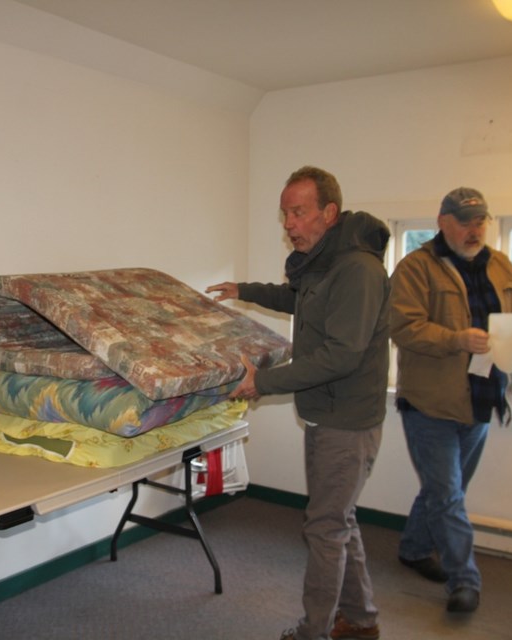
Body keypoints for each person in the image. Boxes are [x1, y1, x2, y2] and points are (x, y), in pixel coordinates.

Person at [207, 166, 390, 640]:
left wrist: (263, 382)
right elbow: (297, 298)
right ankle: (362, 618)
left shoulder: (357, 269)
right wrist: (243, 290)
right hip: (327, 413)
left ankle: (316, 631)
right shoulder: (325, 262)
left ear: (329, 213)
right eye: (285, 213)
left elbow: (341, 355)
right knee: (339, 519)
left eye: (299, 212)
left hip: (345, 420)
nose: (289, 223)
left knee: (325, 527)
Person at [389, 187, 512, 614]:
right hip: (432, 403)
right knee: (448, 495)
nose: (475, 229)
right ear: (443, 221)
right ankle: (464, 581)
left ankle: (412, 548)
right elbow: (403, 328)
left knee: (447, 489)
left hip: (484, 397)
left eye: (481, 220)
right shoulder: (416, 268)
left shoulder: (500, 264)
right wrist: (456, 339)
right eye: (465, 221)